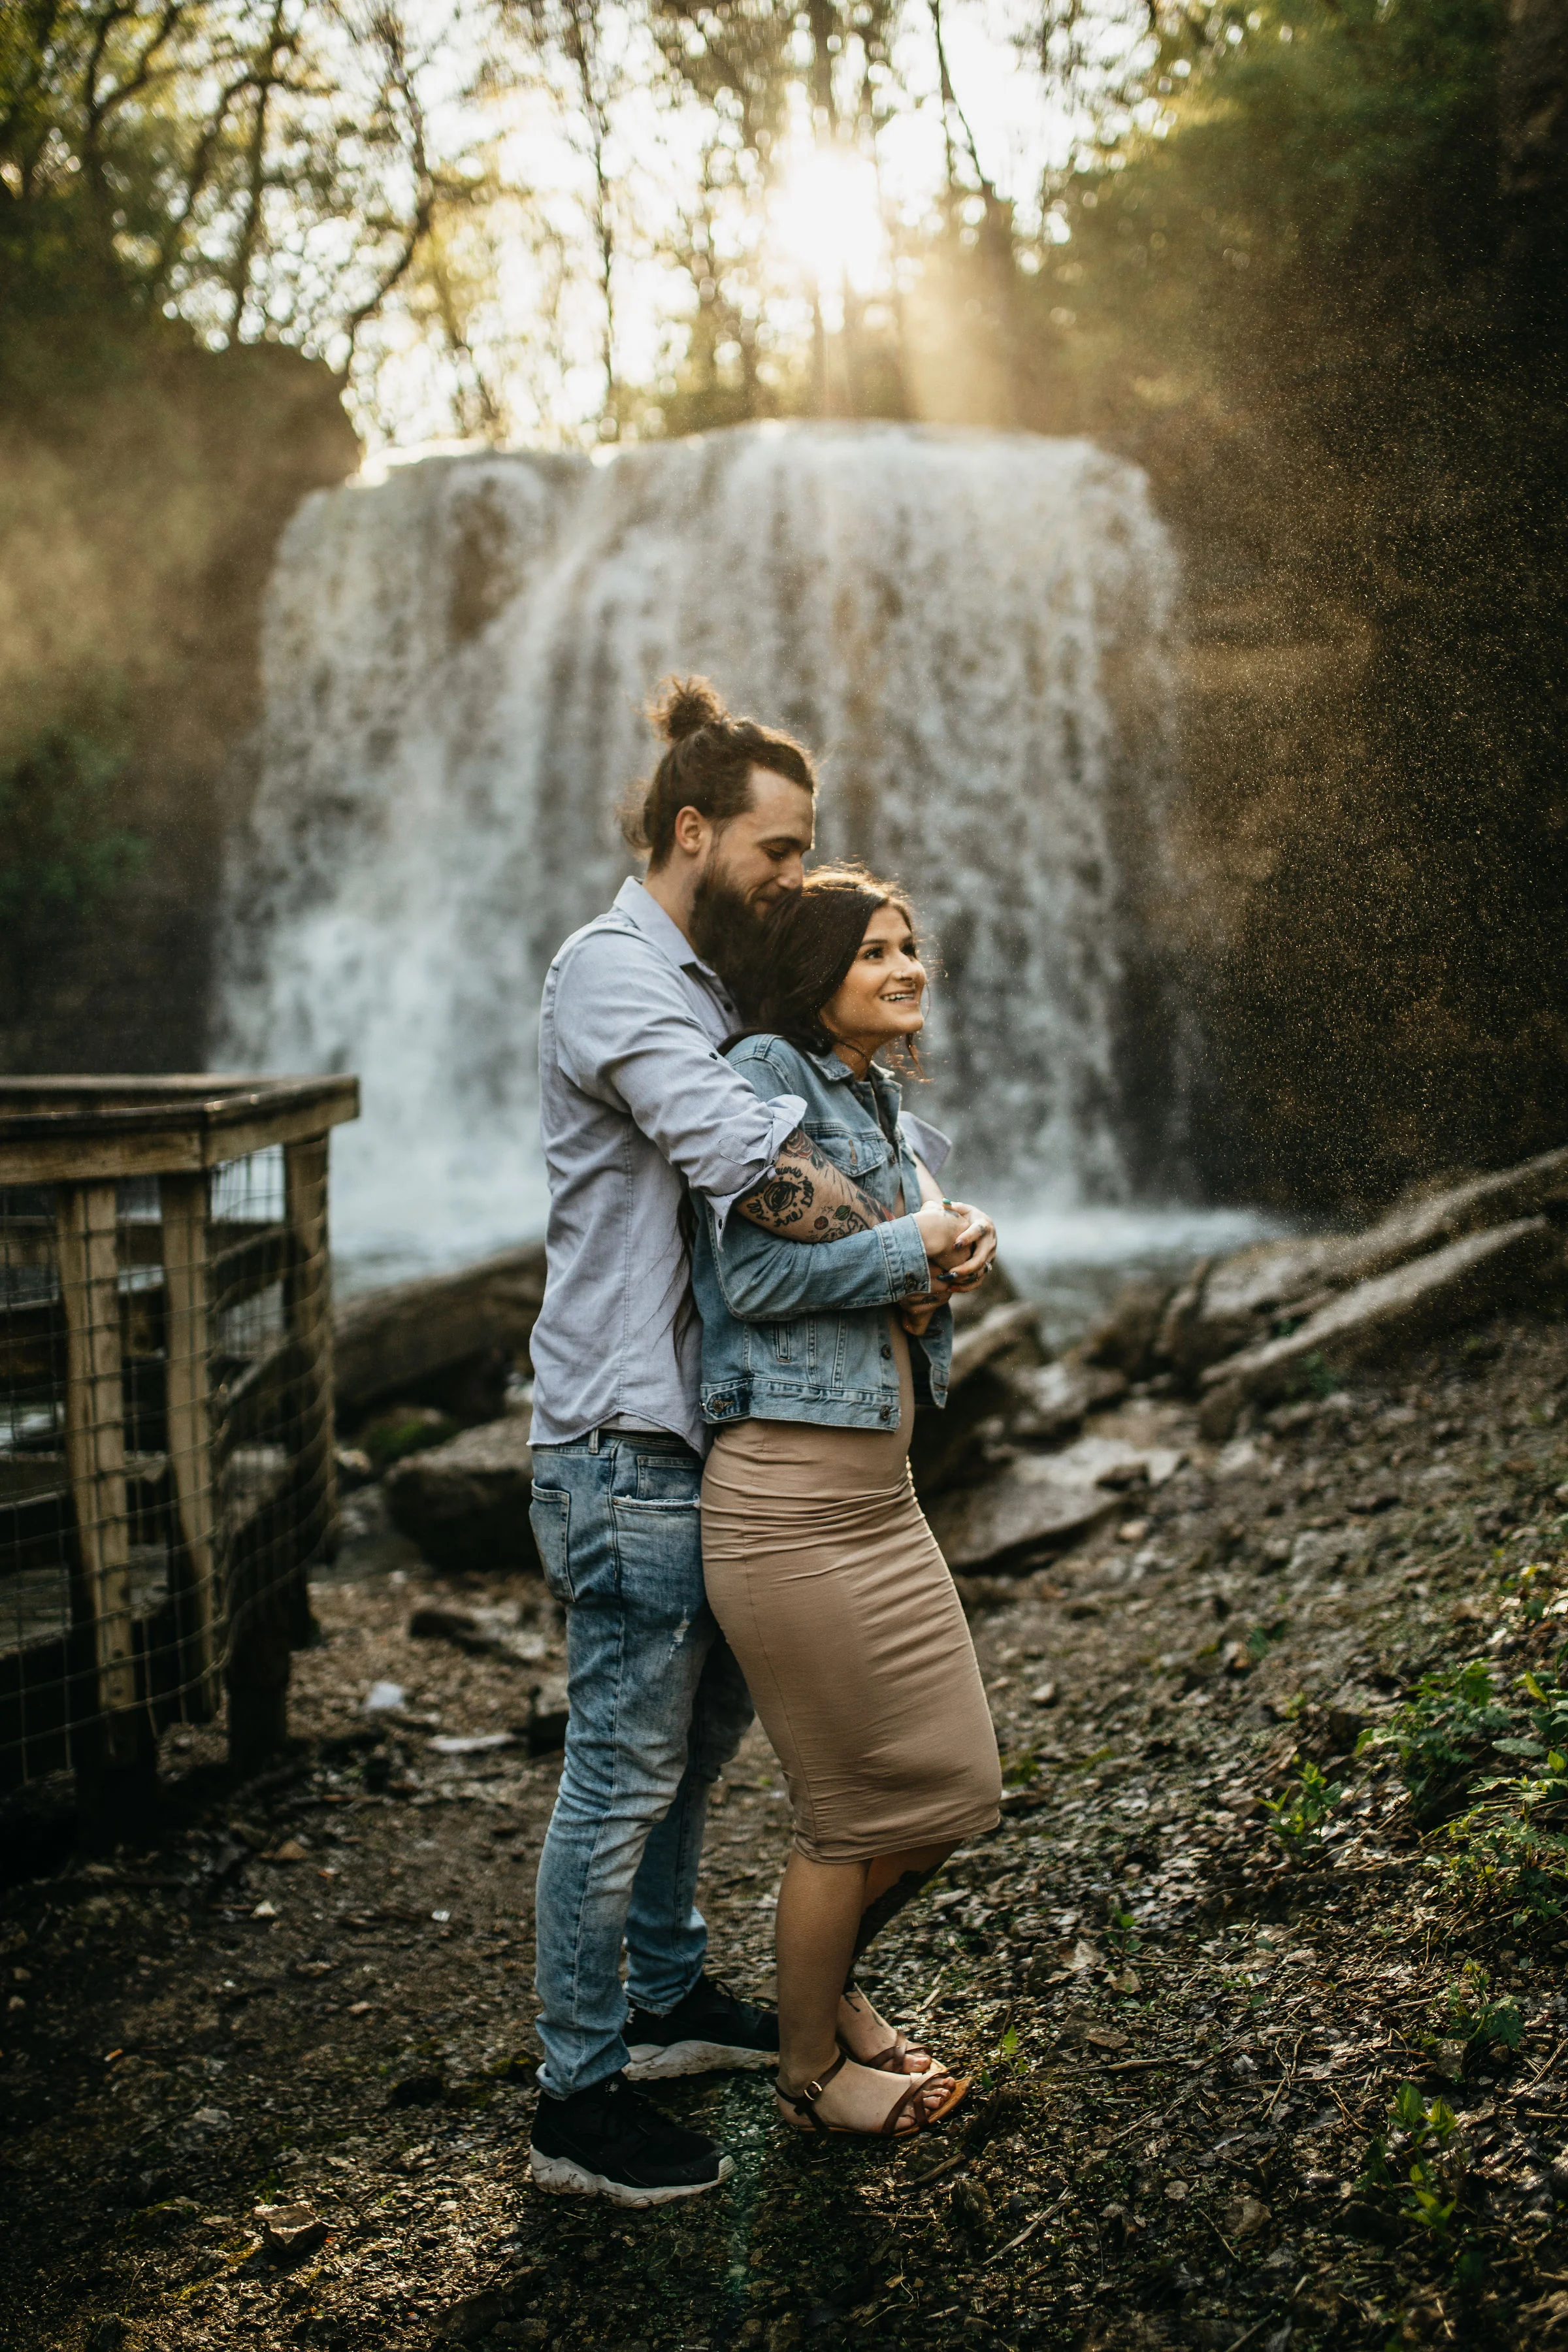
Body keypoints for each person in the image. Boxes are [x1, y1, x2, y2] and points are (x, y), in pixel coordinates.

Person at [525, 679, 996, 2208]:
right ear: (691, 832)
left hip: (714, 1436)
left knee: (697, 1753)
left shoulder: (725, 994)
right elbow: (746, 1173)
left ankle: (665, 2000)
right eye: (783, 851)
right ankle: (575, 2097)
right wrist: (920, 1244)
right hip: (624, 1432)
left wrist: (923, 1251)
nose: (803, 877)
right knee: (620, 1769)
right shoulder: (617, 978)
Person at [694, 868, 1004, 2138]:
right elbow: (759, 1277)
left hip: (882, 1503)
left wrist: (957, 1258)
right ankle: (812, 2072)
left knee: (954, 1791)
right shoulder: (771, 1068)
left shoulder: (880, 1102)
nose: (906, 967)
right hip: (788, 1505)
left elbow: (876, 1264)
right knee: (848, 1817)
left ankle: (822, 1998)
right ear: (816, 970)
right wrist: (916, 1251)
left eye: (911, 946)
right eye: (875, 950)